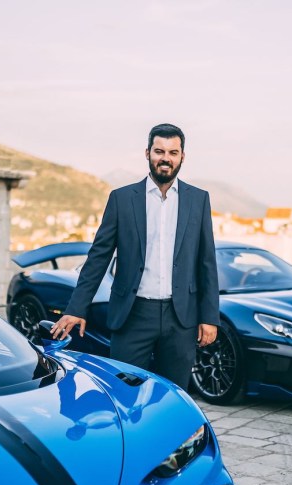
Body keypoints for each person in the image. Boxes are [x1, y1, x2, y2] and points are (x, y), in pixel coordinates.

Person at [50, 123, 219, 390]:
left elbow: (206, 262)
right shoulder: (122, 199)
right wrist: (76, 308)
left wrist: (209, 317)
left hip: (181, 319)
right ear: (148, 153)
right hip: (133, 315)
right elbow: (98, 257)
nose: (166, 158)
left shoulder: (198, 200)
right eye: (159, 151)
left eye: (173, 152)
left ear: (182, 156)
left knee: (173, 396)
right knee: (123, 392)